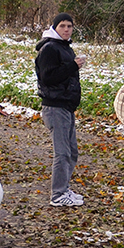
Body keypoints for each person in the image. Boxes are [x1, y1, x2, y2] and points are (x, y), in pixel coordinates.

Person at [34, 12, 87, 206]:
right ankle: (57, 195)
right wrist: (72, 66)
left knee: (72, 151)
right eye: (63, 26)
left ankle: (64, 189)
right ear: (55, 27)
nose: (66, 29)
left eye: (69, 26)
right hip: (54, 107)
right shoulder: (49, 48)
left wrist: (73, 66)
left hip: (66, 106)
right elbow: (47, 77)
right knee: (62, 152)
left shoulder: (65, 48)